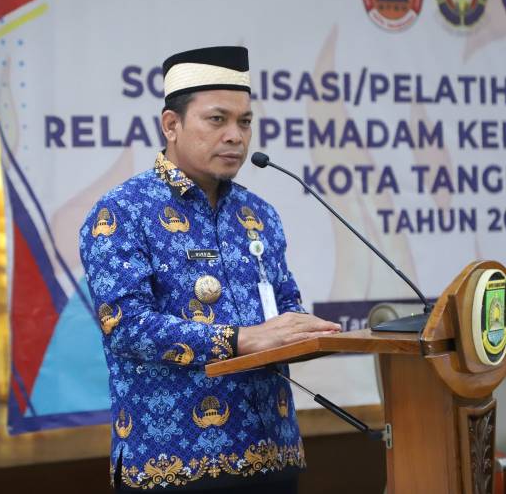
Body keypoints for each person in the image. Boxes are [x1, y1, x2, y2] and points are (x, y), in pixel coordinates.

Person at [79, 46, 341, 493]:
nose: (235, 136)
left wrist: (306, 332)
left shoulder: (259, 214)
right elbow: (125, 326)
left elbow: (284, 304)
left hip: (271, 454)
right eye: (217, 120)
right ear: (171, 125)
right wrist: (241, 339)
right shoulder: (123, 211)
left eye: (245, 122)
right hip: (174, 465)